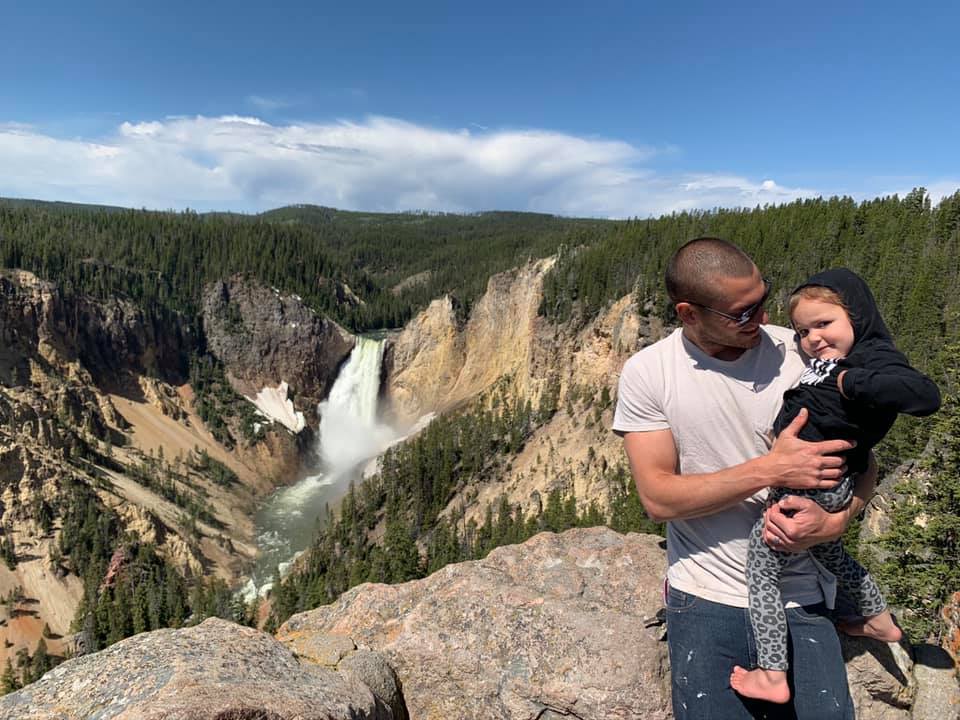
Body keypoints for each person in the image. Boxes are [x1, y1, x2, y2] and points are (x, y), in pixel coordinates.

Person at [613, 238, 876, 719]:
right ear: (689, 313)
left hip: (801, 592)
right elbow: (658, 498)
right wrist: (771, 469)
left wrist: (837, 523)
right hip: (707, 591)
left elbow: (864, 462)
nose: (760, 318)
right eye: (741, 313)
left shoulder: (805, 356)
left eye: (762, 300)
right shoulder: (650, 373)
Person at [731, 268, 940, 703]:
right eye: (803, 330)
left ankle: (771, 673)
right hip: (821, 487)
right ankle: (878, 617)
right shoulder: (842, 355)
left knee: (762, 567)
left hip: (810, 487)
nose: (812, 338)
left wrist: (847, 380)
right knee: (830, 552)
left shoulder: (871, 359)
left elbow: (924, 395)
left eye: (823, 324)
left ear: (857, 316)